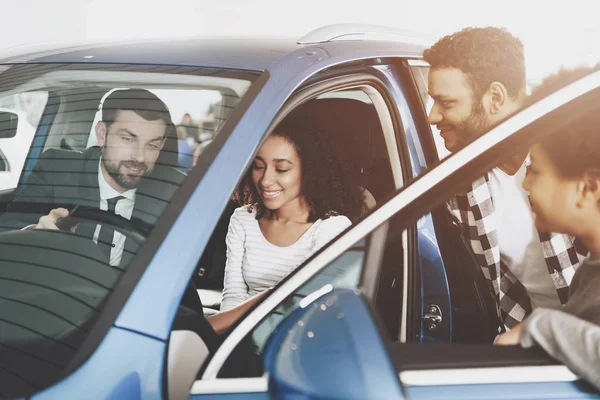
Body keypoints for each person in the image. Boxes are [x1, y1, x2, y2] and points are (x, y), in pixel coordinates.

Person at [423, 27, 586, 331]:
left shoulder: (579, 160)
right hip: (535, 352)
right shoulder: (458, 187)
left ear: (495, 97)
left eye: (446, 103)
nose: (431, 116)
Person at [496, 66, 600, 391]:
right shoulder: (590, 272)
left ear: (588, 187)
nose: (526, 184)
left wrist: (539, 327)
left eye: (536, 171)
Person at [0, 88, 184, 267]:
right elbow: (7, 227)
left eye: (152, 145)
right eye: (128, 139)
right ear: (102, 134)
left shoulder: (178, 192)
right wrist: (34, 231)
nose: (139, 157)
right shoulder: (58, 169)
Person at [220, 125, 365, 311]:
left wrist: (215, 326)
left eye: (281, 169)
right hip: (240, 330)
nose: (265, 180)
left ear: (309, 172)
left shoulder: (332, 228)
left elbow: (299, 301)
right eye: (258, 166)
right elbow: (233, 295)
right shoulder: (243, 218)